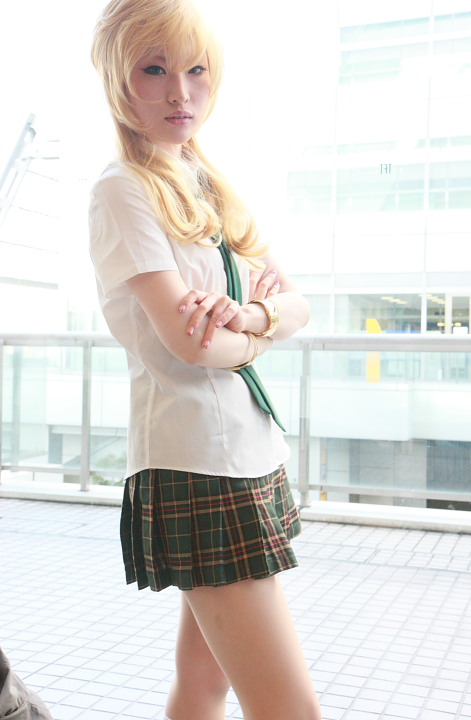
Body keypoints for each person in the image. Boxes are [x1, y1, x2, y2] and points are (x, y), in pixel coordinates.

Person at [89, 1, 322, 719]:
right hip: (197, 461)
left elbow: (298, 303)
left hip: (246, 452)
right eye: (154, 70)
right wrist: (261, 331)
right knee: (289, 710)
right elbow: (192, 343)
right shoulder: (122, 189)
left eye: (196, 70)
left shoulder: (206, 180)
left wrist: (250, 319)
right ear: (118, 79)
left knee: (204, 686)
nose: (180, 93)